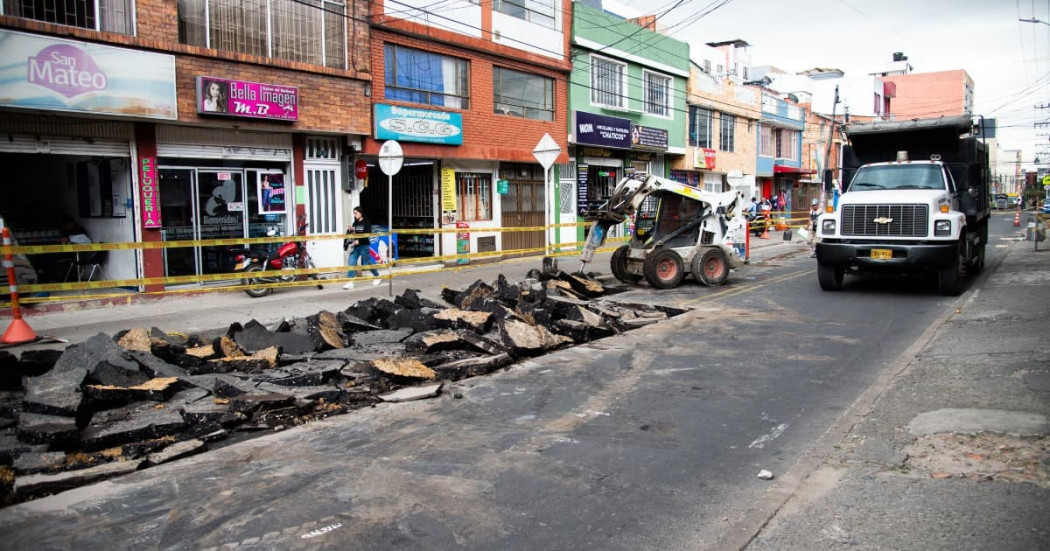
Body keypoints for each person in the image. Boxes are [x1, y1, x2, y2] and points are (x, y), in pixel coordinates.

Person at [342, 207, 381, 289]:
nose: (355, 215)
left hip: (364, 246)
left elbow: (368, 235)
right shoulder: (355, 223)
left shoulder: (366, 222)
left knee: (367, 263)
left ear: (361, 213)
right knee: (351, 262)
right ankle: (350, 282)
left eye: (356, 213)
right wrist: (351, 230)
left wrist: (359, 241)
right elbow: (353, 234)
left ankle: (377, 276)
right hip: (355, 247)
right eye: (354, 213)